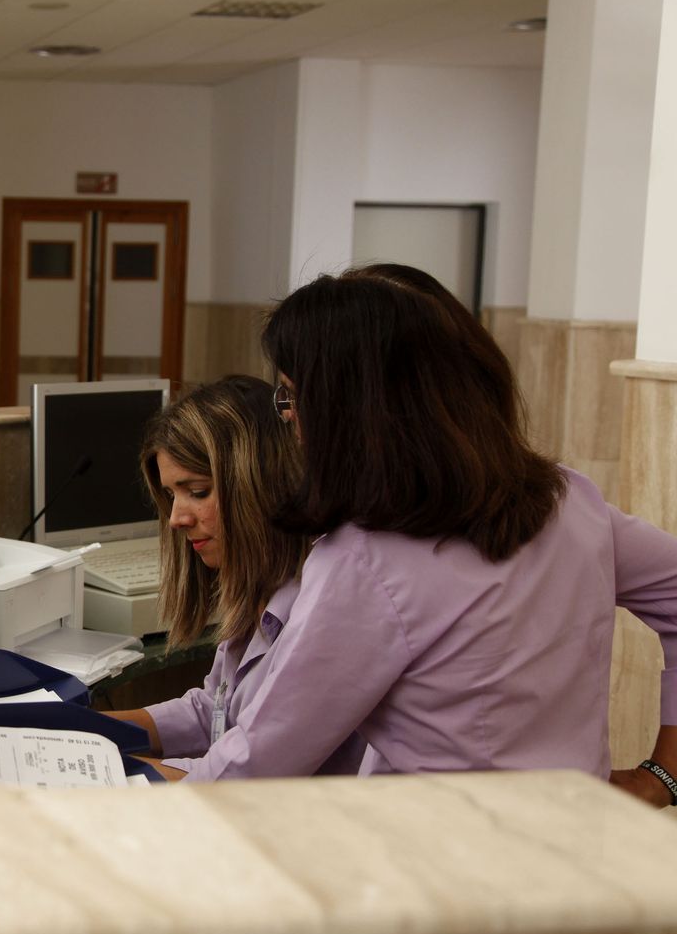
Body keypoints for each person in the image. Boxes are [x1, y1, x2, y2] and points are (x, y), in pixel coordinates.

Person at [181, 263, 677, 795]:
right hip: (575, 841)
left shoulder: (366, 562)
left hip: (441, 857)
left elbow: (259, 762)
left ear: (348, 408)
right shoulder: (569, 502)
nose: (289, 418)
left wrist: (131, 797)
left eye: (291, 396)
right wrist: (665, 774)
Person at [101, 376, 363, 779]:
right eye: (172, 495)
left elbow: (242, 773)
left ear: (259, 486)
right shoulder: (259, 589)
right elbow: (215, 711)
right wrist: (92, 729)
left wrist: (94, 763)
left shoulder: (322, 606)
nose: (176, 519)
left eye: (199, 491)